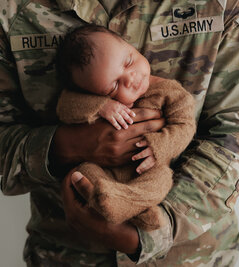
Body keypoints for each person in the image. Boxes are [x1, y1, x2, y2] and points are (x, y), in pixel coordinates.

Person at [0, 0, 239, 266]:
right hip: (66, 253)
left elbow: (237, 132)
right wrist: (69, 145)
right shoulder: (8, 12)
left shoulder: (228, 5)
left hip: (190, 255)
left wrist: (150, 232)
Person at [55, 24, 196, 230]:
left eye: (129, 61)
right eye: (113, 86)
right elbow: (64, 106)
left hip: (145, 170)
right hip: (107, 176)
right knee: (84, 173)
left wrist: (160, 147)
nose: (130, 78)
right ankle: (131, 209)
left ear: (130, 45)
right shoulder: (97, 98)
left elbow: (185, 125)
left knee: (163, 179)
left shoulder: (170, 92)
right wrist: (101, 105)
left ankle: (127, 204)